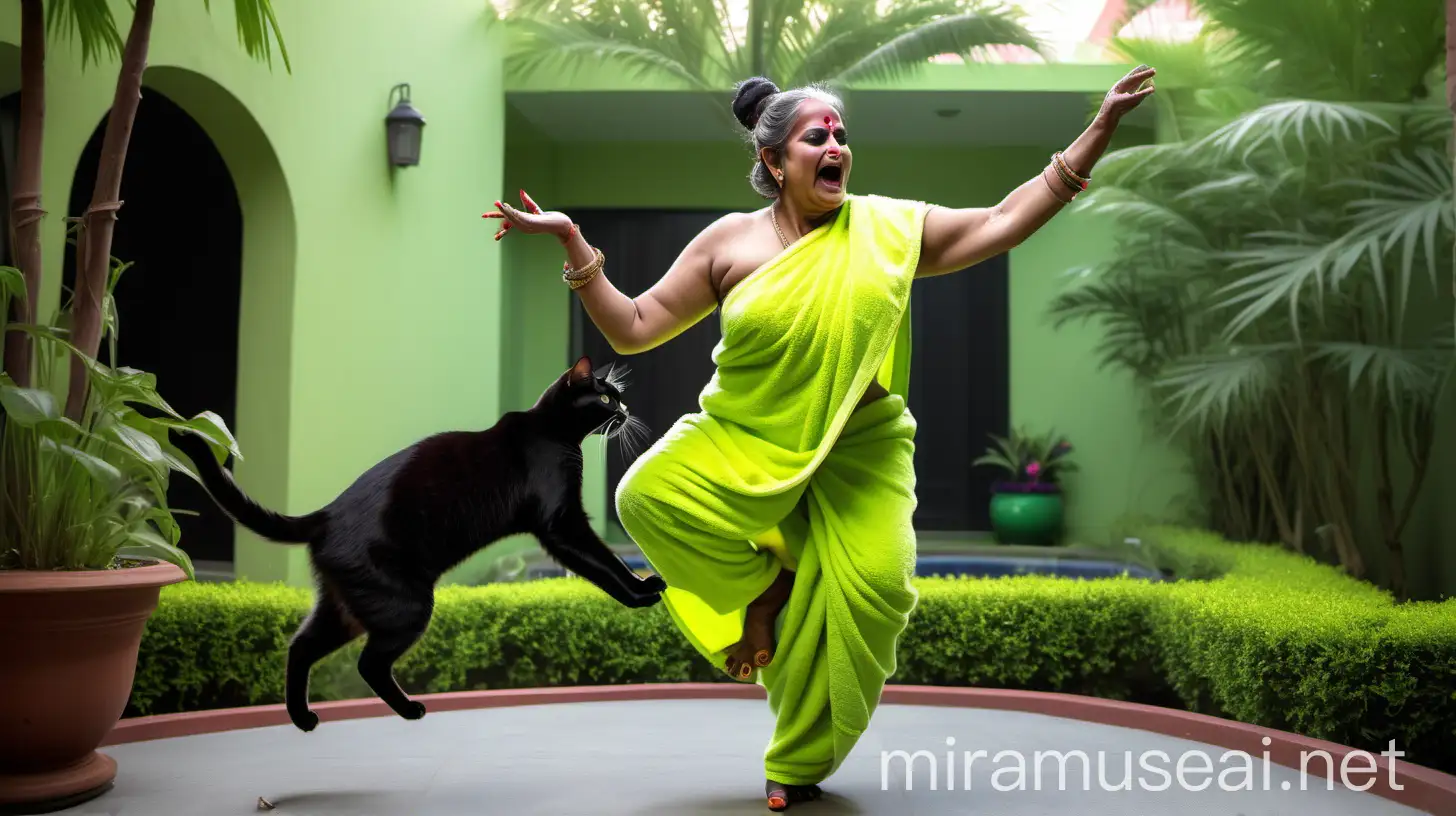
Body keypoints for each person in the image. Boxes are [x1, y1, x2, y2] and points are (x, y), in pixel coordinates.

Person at [484, 65, 1156, 811]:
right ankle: (768, 592)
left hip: (858, 451)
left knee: (878, 589)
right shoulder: (728, 243)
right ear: (774, 162)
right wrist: (575, 244)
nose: (836, 144)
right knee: (645, 495)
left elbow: (1001, 221)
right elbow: (634, 326)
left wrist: (1098, 131)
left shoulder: (889, 230)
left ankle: (798, 759)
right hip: (745, 436)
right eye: (817, 135)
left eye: (841, 134)